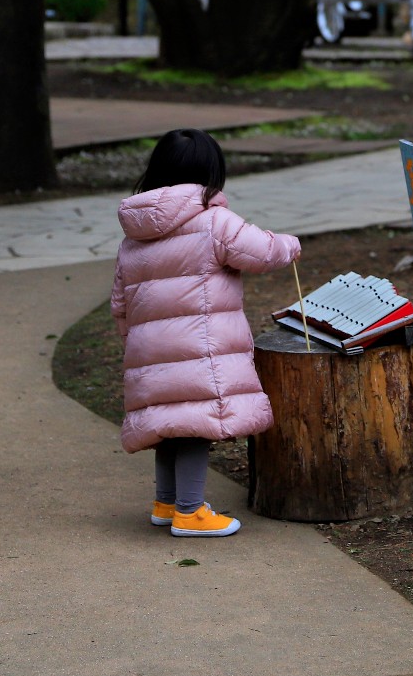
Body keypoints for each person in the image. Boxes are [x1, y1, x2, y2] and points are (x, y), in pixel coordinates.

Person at [111, 129, 299, 537]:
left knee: (167, 427)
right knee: (195, 426)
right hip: (200, 349)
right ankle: (190, 512)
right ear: (211, 173)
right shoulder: (214, 221)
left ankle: (166, 502)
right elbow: (262, 252)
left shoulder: (133, 235)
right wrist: (289, 244)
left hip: (150, 349)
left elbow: (119, 302)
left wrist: (135, 343)